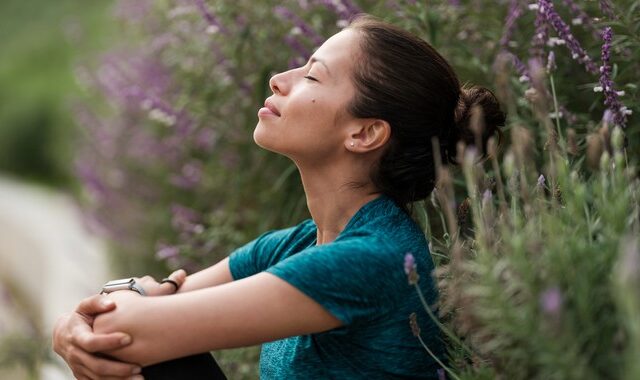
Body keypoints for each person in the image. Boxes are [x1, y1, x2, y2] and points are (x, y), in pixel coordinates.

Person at [53, 14, 505, 379]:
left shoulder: (372, 259)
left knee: (132, 352)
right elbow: (125, 321)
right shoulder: (297, 244)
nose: (277, 79)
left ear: (364, 133)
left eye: (311, 76)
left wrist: (118, 307)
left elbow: (122, 328)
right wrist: (69, 328)